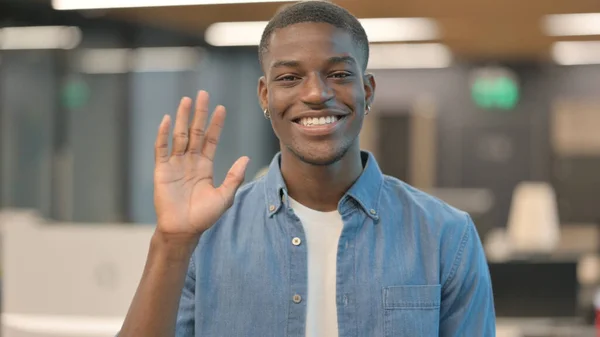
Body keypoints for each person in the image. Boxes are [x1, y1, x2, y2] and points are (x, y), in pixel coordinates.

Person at [117, 1, 496, 336]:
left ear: (368, 91)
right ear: (266, 95)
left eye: (338, 74)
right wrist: (172, 242)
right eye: (289, 78)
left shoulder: (446, 235)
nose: (316, 93)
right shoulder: (206, 236)